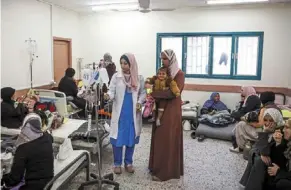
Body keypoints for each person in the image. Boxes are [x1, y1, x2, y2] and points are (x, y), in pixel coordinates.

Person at [104, 53, 146, 175]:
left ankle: (128, 162)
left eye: (125, 63)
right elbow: (111, 91)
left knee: (130, 139)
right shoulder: (116, 77)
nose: (123, 65)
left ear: (131, 63)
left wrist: (139, 102)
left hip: (133, 113)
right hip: (120, 113)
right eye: (121, 63)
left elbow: (143, 92)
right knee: (117, 139)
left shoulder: (139, 77)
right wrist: (108, 96)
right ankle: (117, 163)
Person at [148, 49, 185, 181]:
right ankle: (156, 167)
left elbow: (172, 93)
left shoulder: (179, 74)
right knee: (158, 138)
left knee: (167, 139)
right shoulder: (161, 72)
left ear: (171, 59)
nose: (163, 61)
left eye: (165, 59)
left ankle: (165, 172)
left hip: (172, 111)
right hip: (159, 108)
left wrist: (154, 93)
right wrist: (150, 89)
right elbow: (153, 85)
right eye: (161, 59)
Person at [1, 110, 54, 190]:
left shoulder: (23, 148)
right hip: (48, 183)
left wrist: (3, 179)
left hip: (32, 187)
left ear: (25, 125)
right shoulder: (47, 138)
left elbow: (14, 180)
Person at [239, 108, 286, 190]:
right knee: (253, 152)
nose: (267, 123)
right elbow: (259, 146)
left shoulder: (280, 132)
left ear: (276, 120)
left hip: (277, 160)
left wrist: (262, 153)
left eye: (271, 120)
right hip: (267, 154)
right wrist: (262, 153)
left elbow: (270, 152)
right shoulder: (268, 129)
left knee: (259, 160)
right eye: (265, 120)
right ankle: (248, 183)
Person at [269, 119, 291, 190]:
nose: (283, 130)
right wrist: (278, 143)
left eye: (287, 127)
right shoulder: (288, 143)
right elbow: (277, 161)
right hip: (286, 174)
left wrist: (278, 172)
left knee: (282, 183)